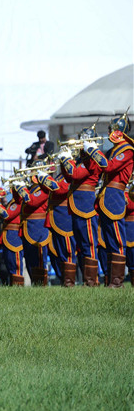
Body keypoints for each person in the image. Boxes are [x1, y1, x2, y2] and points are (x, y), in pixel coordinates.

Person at [86, 113, 132, 287]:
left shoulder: (127, 149)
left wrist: (94, 150)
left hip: (115, 195)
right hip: (106, 195)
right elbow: (98, 170)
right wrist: (86, 154)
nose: (108, 132)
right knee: (109, 240)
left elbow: (109, 166)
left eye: (111, 129)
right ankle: (110, 280)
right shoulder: (112, 150)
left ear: (119, 131)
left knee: (117, 239)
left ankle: (117, 282)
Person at [57, 128, 102, 286]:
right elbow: (69, 177)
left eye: (83, 139)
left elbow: (75, 174)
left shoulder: (92, 161)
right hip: (76, 205)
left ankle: (92, 280)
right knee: (81, 244)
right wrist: (64, 161)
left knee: (89, 242)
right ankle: (83, 280)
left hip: (85, 205)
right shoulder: (82, 161)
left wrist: (68, 160)